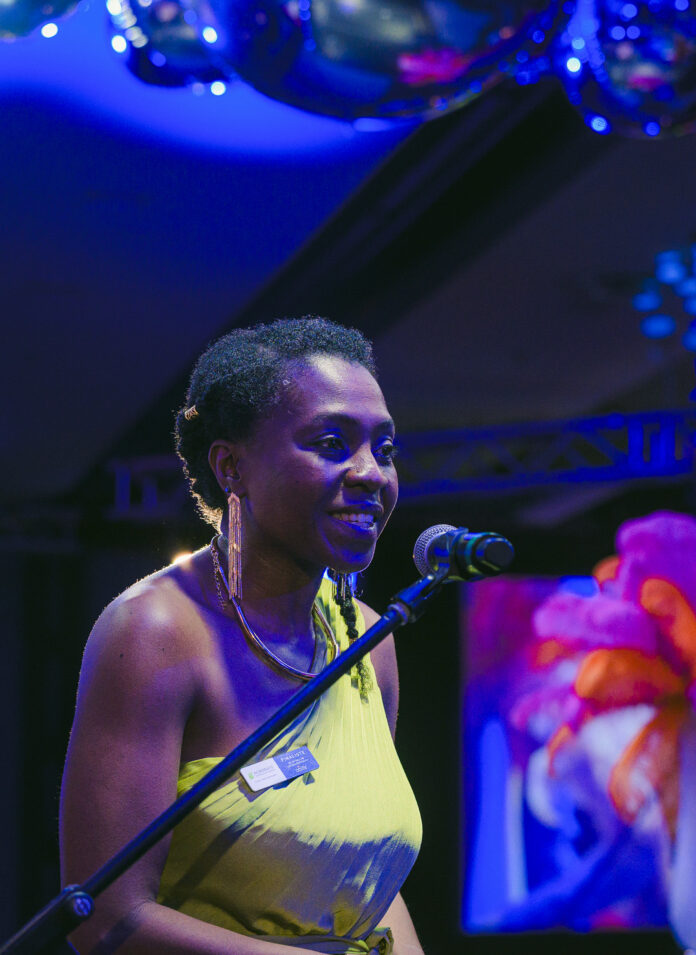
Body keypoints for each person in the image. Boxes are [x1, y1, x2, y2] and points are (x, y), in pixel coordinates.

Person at [59, 318, 424, 954]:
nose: (371, 473)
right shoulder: (157, 632)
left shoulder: (368, 637)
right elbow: (107, 919)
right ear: (232, 467)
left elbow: (363, 882)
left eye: (385, 450)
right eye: (332, 443)